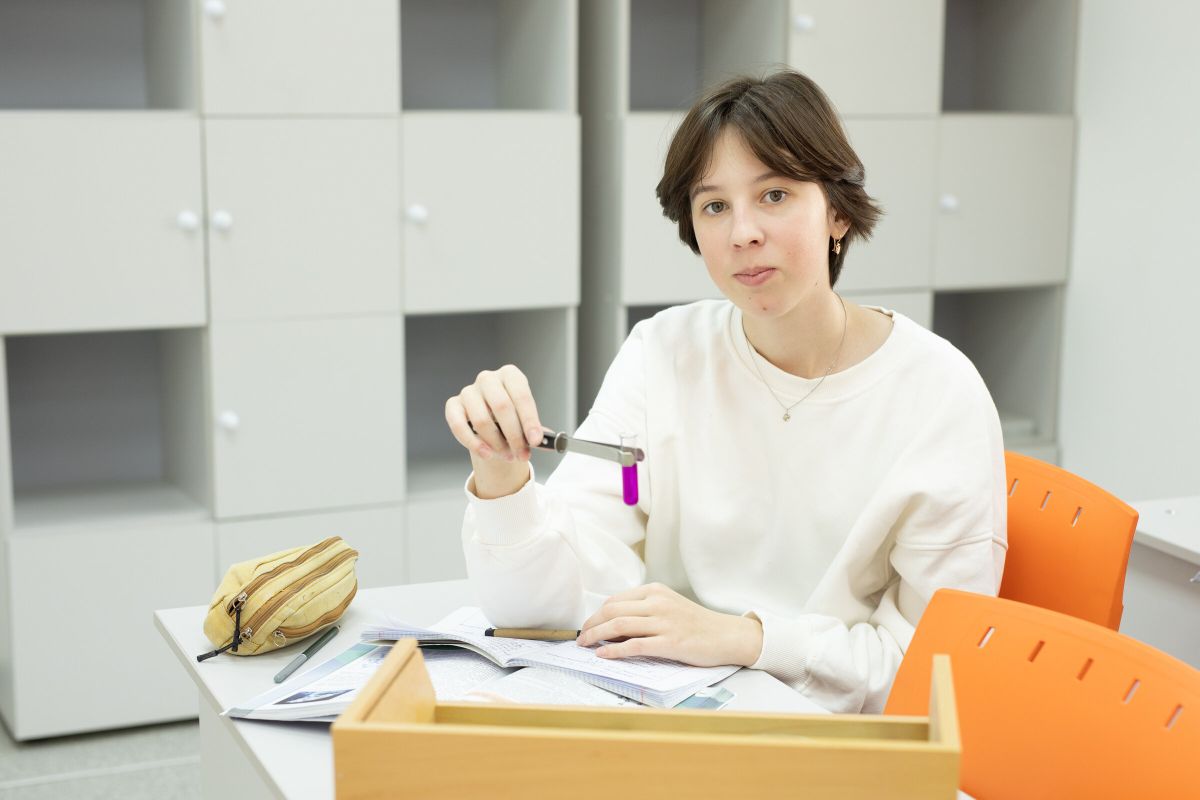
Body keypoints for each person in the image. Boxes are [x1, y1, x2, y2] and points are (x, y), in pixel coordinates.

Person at [443, 70, 1006, 713]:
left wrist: (748, 640)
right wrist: (502, 481)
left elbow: (932, 668)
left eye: (774, 195)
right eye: (714, 206)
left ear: (839, 212)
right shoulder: (663, 352)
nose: (743, 233)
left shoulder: (939, 394)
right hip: (669, 716)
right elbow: (542, 611)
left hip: (828, 740)